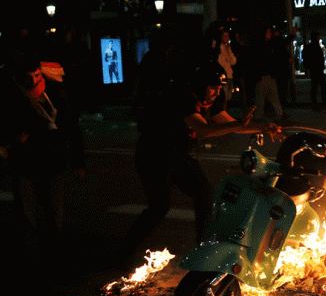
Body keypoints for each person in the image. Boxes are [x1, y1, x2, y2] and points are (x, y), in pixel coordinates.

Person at [116, 60, 281, 266]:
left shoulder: (211, 99)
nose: (216, 92)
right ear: (199, 84)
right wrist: (239, 123)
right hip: (154, 155)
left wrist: (263, 127)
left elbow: (231, 125)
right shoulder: (182, 96)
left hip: (178, 154)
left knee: (204, 192)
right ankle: (122, 254)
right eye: (213, 87)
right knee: (159, 208)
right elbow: (203, 129)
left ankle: (203, 249)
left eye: (220, 87)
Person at [0, 52, 86, 259]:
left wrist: (78, 162)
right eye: (28, 77)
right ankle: (31, 254)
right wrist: (13, 139)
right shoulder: (11, 95)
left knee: (55, 211)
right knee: (27, 213)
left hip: (53, 159)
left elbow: (71, 128)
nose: (33, 82)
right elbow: (4, 124)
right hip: (25, 162)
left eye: (37, 76)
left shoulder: (55, 92)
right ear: (17, 76)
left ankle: (53, 250)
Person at [251, 27, 286, 122]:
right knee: (261, 99)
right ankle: (259, 117)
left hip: (269, 76)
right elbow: (257, 61)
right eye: (268, 32)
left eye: (270, 32)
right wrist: (259, 75)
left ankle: (278, 115)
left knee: (272, 97)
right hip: (263, 76)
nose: (269, 33)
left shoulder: (271, 44)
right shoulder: (260, 45)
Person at [303, 33, 326, 111]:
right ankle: (322, 103)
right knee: (321, 87)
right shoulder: (316, 46)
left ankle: (316, 105)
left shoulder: (310, 46)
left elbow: (305, 56)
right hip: (317, 69)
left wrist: (308, 67)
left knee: (315, 88)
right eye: (319, 36)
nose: (320, 37)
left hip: (314, 70)